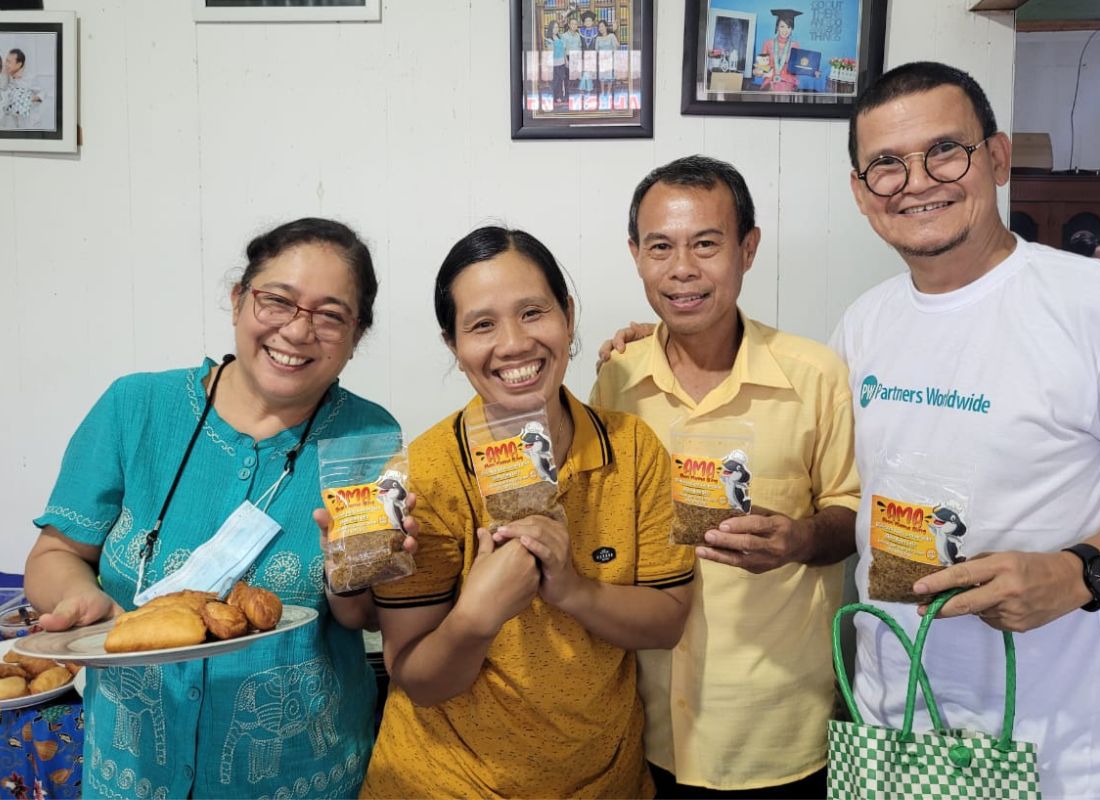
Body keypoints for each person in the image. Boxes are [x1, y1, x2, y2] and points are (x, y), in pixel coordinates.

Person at [833, 60, 1100, 799]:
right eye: (885, 165)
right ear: (862, 193)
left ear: (996, 159)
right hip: (891, 733)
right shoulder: (863, 320)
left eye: (945, 150)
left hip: (1059, 754)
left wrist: (1079, 574)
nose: (918, 181)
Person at [24, 217, 414, 799]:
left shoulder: (368, 435)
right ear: (238, 301)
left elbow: (361, 617)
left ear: (356, 336)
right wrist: (76, 594)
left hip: (301, 776)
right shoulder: (136, 407)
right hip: (133, 775)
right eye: (277, 301)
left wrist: (350, 575)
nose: (297, 331)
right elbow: (56, 552)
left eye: (331, 315)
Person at [358, 226, 695, 798]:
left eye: (533, 312)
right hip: (442, 783)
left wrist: (571, 589)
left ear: (567, 314)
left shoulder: (633, 448)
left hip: (605, 781)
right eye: (482, 325)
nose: (514, 344)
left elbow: (667, 620)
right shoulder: (425, 476)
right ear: (452, 344)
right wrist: (475, 618)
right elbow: (419, 680)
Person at [592, 155, 861, 798]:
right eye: (661, 247)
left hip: (776, 727)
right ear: (636, 255)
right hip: (646, 719)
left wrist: (798, 540)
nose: (682, 269)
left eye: (706, 244)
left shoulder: (815, 375)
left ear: (748, 249)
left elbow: (853, 515)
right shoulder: (618, 378)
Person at [754, 9, 805, 92]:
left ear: (792, 29)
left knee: (783, 92)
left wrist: (812, 71)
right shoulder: (767, 43)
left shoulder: (795, 45)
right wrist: (757, 71)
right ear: (777, 27)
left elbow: (798, 67)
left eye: (789, 27)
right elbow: (761, 65)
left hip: (788, 82)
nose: (785, 30)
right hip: (770, 81)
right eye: (782, 26)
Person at [0, 49, 43, 129]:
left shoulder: (30, 78)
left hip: (29, 123)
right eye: (6, 60)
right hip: (13, 122)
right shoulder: (7, 75)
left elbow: (42, 93)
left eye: (9, 62)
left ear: (19, 64)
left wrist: (31, 98)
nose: (6, 64)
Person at [595, 18, 620, 106]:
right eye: (599, 27)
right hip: (602, 60)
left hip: (610, 59)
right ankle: (602, 93)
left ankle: (608, 93)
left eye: (602, 26)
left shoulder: (611, 36)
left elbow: (616, 47)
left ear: (606, 27)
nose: (600, 28)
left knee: (609, 77)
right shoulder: (598, 38)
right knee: (602, 77)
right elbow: (596, 50)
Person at [545, 19, 567, 107]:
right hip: (554, 63)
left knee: (562, 80)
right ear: (551, 28)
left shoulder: (560, 37)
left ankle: (561, 96)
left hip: (562, 62)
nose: (556, 29)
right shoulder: (548, 39)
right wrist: (551, 44)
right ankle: (556, 97)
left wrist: (566, 60)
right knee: (556, 82)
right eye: (554, 27)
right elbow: (550, 52)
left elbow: (564, 50)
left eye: (557, 27)